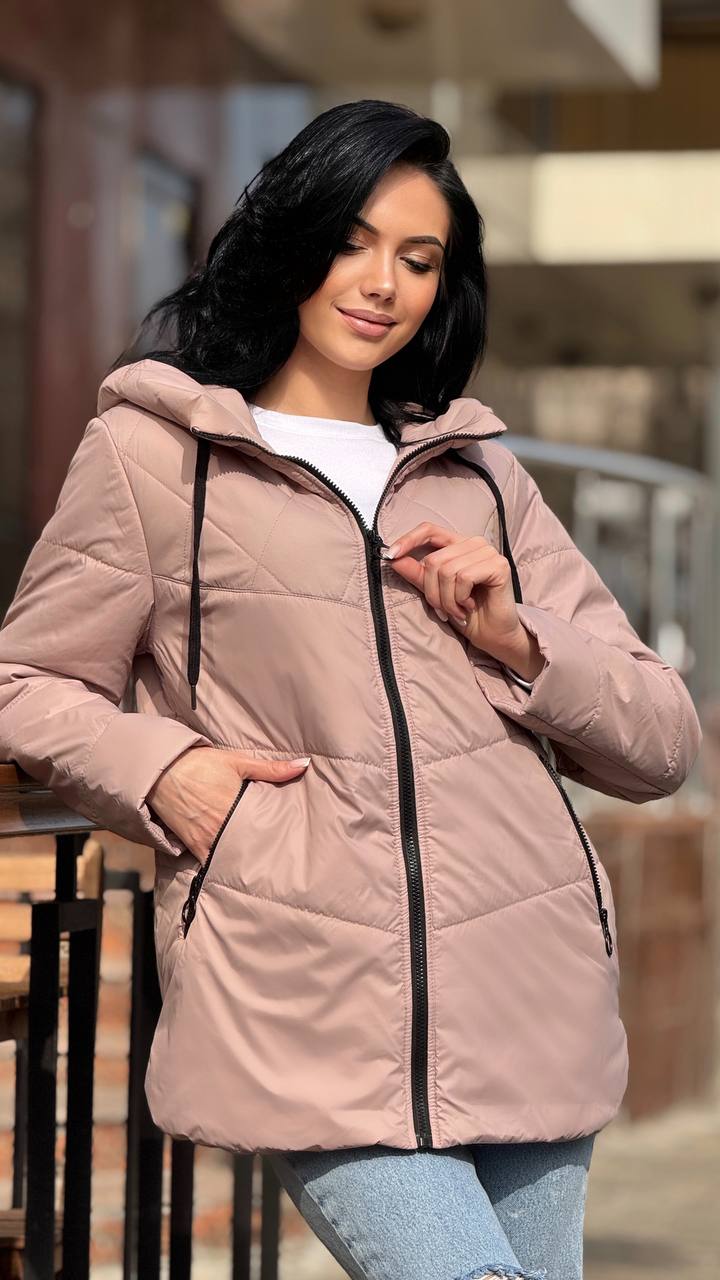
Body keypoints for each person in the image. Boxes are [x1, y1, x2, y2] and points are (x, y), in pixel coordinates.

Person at [0, 100, 702, 1280]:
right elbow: (26, 680)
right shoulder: (157, 456)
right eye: (353, 241)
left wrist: (520, 637)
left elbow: (662, 738)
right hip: (305, 996)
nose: (382, 284)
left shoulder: (482, 478)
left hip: (528, 989)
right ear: (294, 239)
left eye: (419, 259)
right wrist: (167, 771)